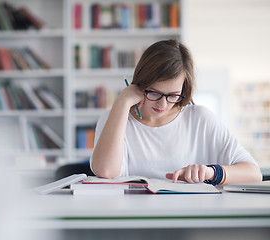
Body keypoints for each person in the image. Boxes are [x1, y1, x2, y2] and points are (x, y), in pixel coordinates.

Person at [90, 39, 262, 185]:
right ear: (139, 84)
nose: (162, 104)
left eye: (173, 95)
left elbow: (254, 174)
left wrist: (211, 173)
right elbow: (106, 171)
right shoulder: (115, 118)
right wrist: (122, 102)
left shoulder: (200, 119)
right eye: (154, 92)